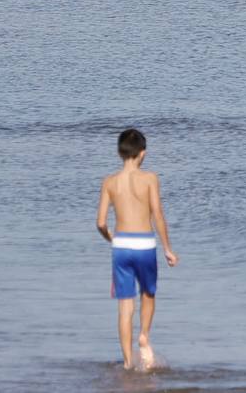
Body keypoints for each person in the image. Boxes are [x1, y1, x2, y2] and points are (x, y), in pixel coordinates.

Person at [96, 128, 178, 370]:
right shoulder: (150, 178)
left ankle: (128, 363)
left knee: (125, 305)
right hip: (144, 243)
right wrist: (167, 249)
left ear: (120, 152)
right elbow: (158, 215)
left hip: (121, 244)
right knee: (148, 294)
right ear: (142, 154)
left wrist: (110, 237)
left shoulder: (109, 182)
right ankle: (143, 335)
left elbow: (100, 222)